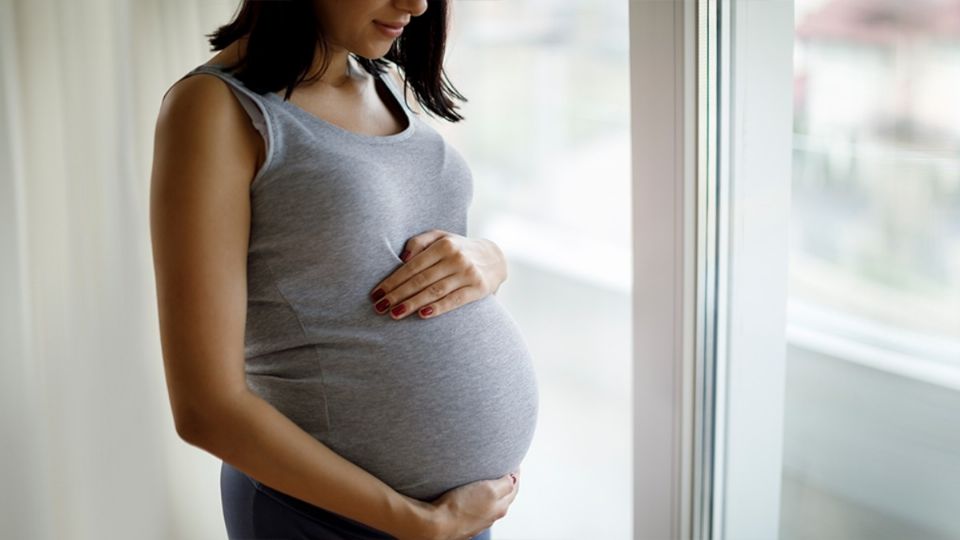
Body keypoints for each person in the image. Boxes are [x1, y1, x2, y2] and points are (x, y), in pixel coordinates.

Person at [149, 1, 540, 539]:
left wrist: (490, 261)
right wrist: (419, 523)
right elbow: (205, 406)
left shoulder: (386, 82)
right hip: (329, 518)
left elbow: (402, 245)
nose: (418, 5)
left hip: (455, 519)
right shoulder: (216, 108)